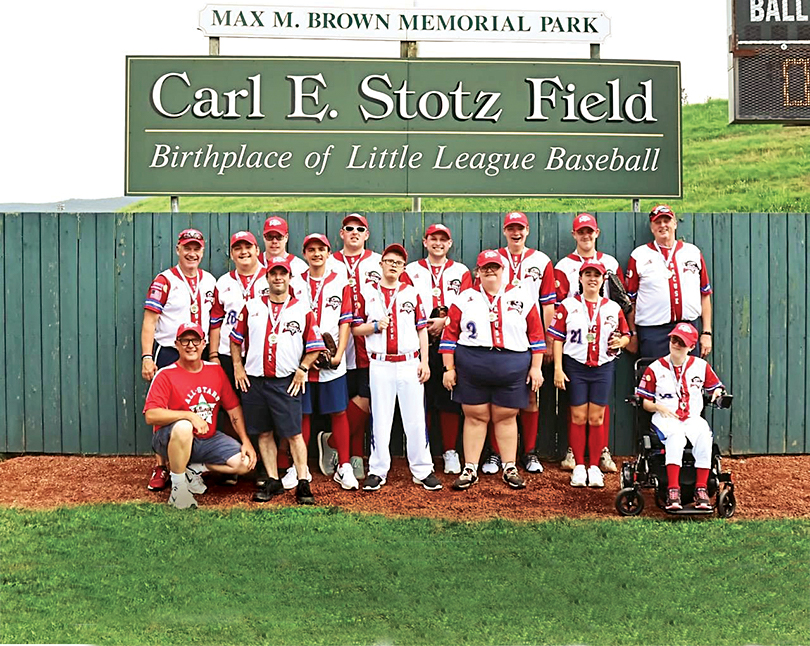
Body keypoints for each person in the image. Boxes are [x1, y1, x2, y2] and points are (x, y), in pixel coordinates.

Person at [440, 250, 546, 491]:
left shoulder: (522, 297)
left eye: (494, 267)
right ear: (477, 271)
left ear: (502, 269)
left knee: (506, 416)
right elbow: (450, 335)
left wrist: (536, 368)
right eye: (484, 267)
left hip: (512, 363)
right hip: (473, 363)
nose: (490, 271)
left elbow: (537, 336)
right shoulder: (464, 298)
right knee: (475, 416)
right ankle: (470, 468)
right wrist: (449, 368)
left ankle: (509, 467)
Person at [229, 256, 326, 505]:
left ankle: (303, 482)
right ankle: (273, 480)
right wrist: (238, 367)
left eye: (283, 273)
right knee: (263, 432)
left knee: (294, 433)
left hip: (285, 381)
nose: (278, 278)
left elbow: (315, 346)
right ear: (267, 277)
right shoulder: (251, 306)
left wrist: (303, 368)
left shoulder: (302, 309)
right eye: (274, 274)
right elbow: (235, 339)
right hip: (255, 380)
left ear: (290, 278)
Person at [351, 243, 442, 492]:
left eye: (398, 262)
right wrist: (374, 327)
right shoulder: (367, 293)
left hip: (409, 362)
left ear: (404, 267)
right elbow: (355, 328)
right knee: (380, 418)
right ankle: (377, 471)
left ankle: (422, 470)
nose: (393, 265)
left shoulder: (411, 293)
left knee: (415, 419)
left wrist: (424, 361)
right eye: (389, 261)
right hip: (380, 362)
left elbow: (422, 329)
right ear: (380, 264)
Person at [143, 323, 257, 509]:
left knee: (245, 463)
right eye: (185, 340)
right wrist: (189, 416)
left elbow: (233, 409)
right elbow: (151, 415)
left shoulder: (215, 371)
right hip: (170, 439)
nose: (191, 345)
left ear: (204, 344)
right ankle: (178, 490)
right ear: (177, 344)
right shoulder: (166, 374)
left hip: (207, 440)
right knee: (184, 426)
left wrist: (245, 440)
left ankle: (195, 469)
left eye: (195, 340)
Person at [141, 228, 216, 492]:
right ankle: (161, 466)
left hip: (200, 349)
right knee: (164, 409)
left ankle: (191, 463)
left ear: (202, 251)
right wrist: (148, 356)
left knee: (200, 403)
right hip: (171, 350)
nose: (192, 253)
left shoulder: (210, 281)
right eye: (187, 248)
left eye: (196, 248)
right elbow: (150, 321)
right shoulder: (165, 280)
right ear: (178, 249)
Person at [481, 211, 554, 475]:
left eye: (520, 228)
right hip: (497, 340)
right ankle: (495, 453)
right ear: (504, 231)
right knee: (495, 400)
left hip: (528, 340)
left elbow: (547, 303)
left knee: (531, 397)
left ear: (528, 230)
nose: (516, 233)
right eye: (511, 228)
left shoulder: (541, 260)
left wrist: (545, 340)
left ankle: (529, 452)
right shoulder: (493, 258)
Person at [554, 212, 626, 474]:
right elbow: (556, 302)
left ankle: (601, 451)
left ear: (597, 233)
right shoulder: (564, 265)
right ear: (575, 235)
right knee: (576, 405)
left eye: (590, 231)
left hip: (604, 339)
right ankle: (575, 452)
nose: (586, 236)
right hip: (575, 339)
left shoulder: (610, 262)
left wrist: (625, 337)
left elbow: (622, 299)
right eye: (581, 232)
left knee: (599, 405)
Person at [549, 261, 631, 488]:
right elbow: (557, 338)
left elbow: (626, 335)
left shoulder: (612, 307)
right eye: (588, 275)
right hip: (575, 365)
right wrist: (558, 368)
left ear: (603, 279)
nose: (592, 279)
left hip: (603, 366)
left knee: (596, 417)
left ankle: (594, 466)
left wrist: (620, 342)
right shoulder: (567, 305)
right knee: (577, 416)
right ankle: (578, 466)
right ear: (581, 278)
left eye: (597, 275)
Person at [290, 233, 357, 491]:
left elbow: (345, 321)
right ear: (304, 253)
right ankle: (300, 468)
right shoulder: (295, 283)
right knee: (302, 413)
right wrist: (304, 356)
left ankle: (344, 466)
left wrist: (339, 353)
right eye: (311, 249)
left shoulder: (340, 282)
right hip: (303, 359)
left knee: (338, 411)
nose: (316, 254)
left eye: (321, 249)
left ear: (329, 253)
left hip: (331, 359)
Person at [402, 223, 471, 474]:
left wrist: (446, 321)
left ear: (450, 244)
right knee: (422, 399)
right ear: (425, 241)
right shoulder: (411, 271)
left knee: (449, 397)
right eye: (433, 239)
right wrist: (425, 324)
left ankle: (450, 451)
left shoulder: (461, 272)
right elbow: (406, 300)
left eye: (443, 239)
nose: (438, 243)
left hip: (450, 341)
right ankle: (425, 449)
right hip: (419, 340)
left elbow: (466, 304)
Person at [635, 323, 725, 510]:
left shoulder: (701, 366)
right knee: (675, 437)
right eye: (673, 339)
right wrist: (658, 407)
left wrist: (717, 392)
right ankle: (673, 489)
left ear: (691, 347)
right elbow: (644, 403)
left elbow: (716, 387)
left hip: (691, 417)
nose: (675, 344)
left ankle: (701, 489)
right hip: (665, 416)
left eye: (681, 342)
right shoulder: (655, 368)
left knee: (704, 436)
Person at [207, 231, 266, 485]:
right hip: (226, 354)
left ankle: (263, 465)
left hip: (259, 355)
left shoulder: (270, 276)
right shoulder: (223, 282)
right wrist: (212, 354)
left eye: (248, 247)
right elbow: (215, 321)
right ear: (231, 254)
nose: (243, 252)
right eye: (238, 248)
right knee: (229, 407)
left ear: (257, 250)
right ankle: (234, 462)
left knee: (260, 411)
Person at [327, 214, 382, 480]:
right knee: (342, 400)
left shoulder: (377, 261)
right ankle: (353, 457)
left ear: (366, 234)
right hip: (339, 342)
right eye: (349, 228)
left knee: (366, 399)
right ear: (341, 233)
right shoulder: (329, 261)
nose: (354, 232)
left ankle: (333, 444)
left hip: (370, 339)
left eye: (360, 229)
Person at [626, 204, 713, 359]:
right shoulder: (639, 255)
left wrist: (706, 332)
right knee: (655, 380)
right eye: (658, 222)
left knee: (687, 379)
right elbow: (630, 301)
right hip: (653, 331)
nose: (663, 225)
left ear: (675, 223)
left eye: (667, 221)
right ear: (652, 227)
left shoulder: (692, 252)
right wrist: (632, 333)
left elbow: (705, 294)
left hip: (687, 328)